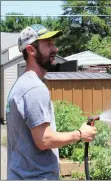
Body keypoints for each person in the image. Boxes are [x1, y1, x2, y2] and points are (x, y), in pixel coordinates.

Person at [6, 24, 97, 180]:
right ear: (31, 50)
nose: (55, 49)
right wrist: (80, 134)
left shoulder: (21, 84)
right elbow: (44, 140)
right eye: (48, 44)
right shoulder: (34, 88)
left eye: (53, 43)